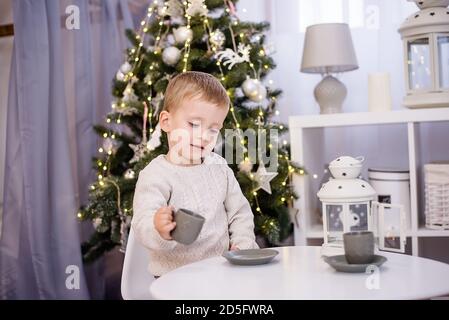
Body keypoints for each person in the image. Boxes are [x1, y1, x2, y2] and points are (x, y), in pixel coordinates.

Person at [132, 71, 259, 277]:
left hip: (221, 272)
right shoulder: (156, 175)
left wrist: (242, 246)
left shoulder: (219, 168)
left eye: (213, 129)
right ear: (166, 122)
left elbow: (240, 214)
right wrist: (159, 229)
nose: (203, 136)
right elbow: (142, 223)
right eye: (193, 124)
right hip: (174, 277)